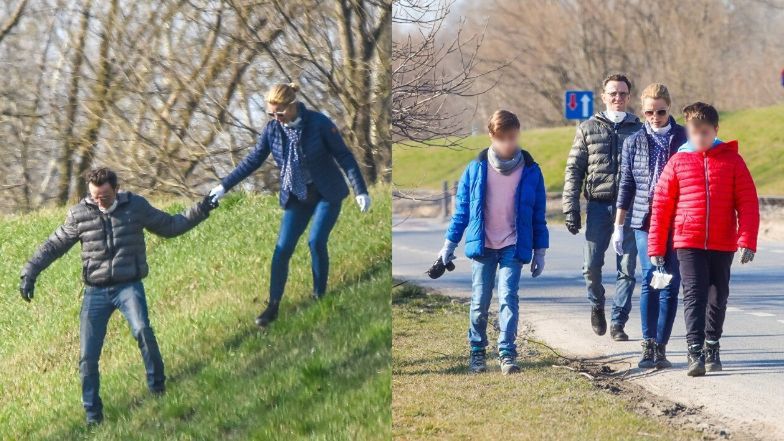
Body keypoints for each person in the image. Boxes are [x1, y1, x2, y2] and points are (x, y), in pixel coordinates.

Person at [19, 168, 217, 426]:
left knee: (143, 330)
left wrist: (201, 209)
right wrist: (29, 272)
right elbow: (53, 245)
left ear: (116, 189)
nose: (99, 201)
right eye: (94, 196)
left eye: (104, 196)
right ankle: (92, 416)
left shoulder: (135, 207)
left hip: (128, 286)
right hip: (96, 292)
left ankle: (158, 389)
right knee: (88, 356)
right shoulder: (80, 214)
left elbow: (170, 226)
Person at [208, 83, 370, 328]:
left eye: (280, 113)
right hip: (298, 195)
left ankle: (319, 297)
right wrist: (223, 186)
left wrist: (361, 190)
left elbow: (344, 156)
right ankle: (272, 307)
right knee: (281, 250)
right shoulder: (273, 130)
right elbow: (253, 161)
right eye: (271, 114)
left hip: (327, 192)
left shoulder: (319, 124)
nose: (276, 118)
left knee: (315, 241)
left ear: (292, 106)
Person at [648, 102, 759, 377]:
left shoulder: (732, 160)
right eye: (694, 132)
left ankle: (712, 344)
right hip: (688, 240)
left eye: (705, 132)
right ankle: (694, 349)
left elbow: (747, 202)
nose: (699, 138)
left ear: (715, 130)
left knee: (717, 297)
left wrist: (747, 239)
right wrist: (656, 246)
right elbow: (661, 206)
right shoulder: (678, 161)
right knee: (694, 294)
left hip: (723, 242)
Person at [438, 110, 548, 375]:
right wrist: (449, 245)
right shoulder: (476, 169)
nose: (508, 143)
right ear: (491, 136)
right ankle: (477, 352)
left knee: (508, 297)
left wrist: (540, 251)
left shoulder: (531, 171)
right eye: (502, 138)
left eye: (512, 137)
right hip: (483, 245)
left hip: (514, 243)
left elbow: (538, 214)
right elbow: (462, 211)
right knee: (479, 302)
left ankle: (507, 353)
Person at [562, 73, 642, 341]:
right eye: (613, 93)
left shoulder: (639, 129)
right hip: (598, 206)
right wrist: (570, 206)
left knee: (627, 269)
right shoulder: (587, 128)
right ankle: (597, 304)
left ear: (629, 97)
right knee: (591, 266)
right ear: (603, 96)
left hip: (630, 209)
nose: (617, 98)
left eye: (622, 94)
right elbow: (574, 169)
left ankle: (619, 321)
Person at [614, 83, 687, 369]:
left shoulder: (683, 138)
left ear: (669, 108)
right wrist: (618, 225)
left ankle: (661, 345)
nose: (654, 117)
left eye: (660, 111)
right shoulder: (634, 141)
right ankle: (647, 344)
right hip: (644, 220)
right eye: (648, 112)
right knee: (651, 277)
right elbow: (627, 185)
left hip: (676, 220)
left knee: (670, 280)